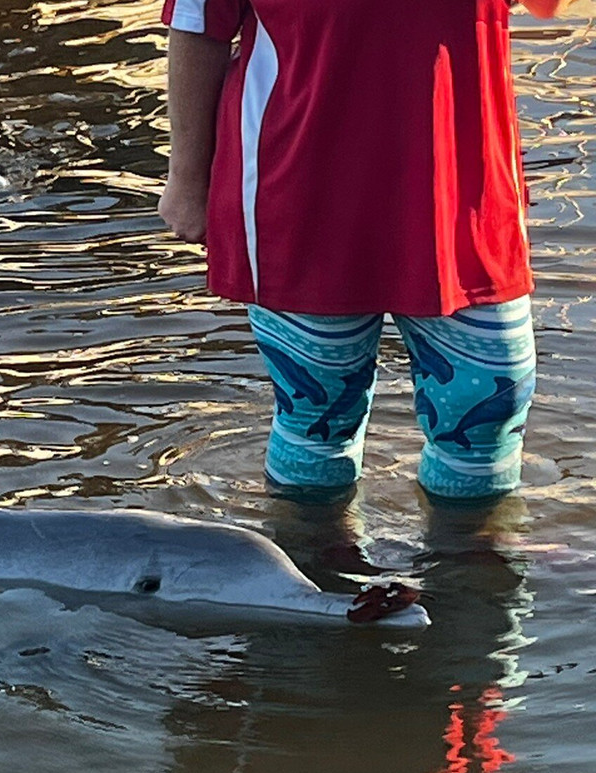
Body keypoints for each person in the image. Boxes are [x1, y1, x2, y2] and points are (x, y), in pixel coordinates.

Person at [158, 0, 575, 502]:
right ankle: (310, 571)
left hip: (463, 190)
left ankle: (473, 573)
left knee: (486, 407)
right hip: (301, 188)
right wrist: (186, 178)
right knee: (317, 419)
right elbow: (198, 27)